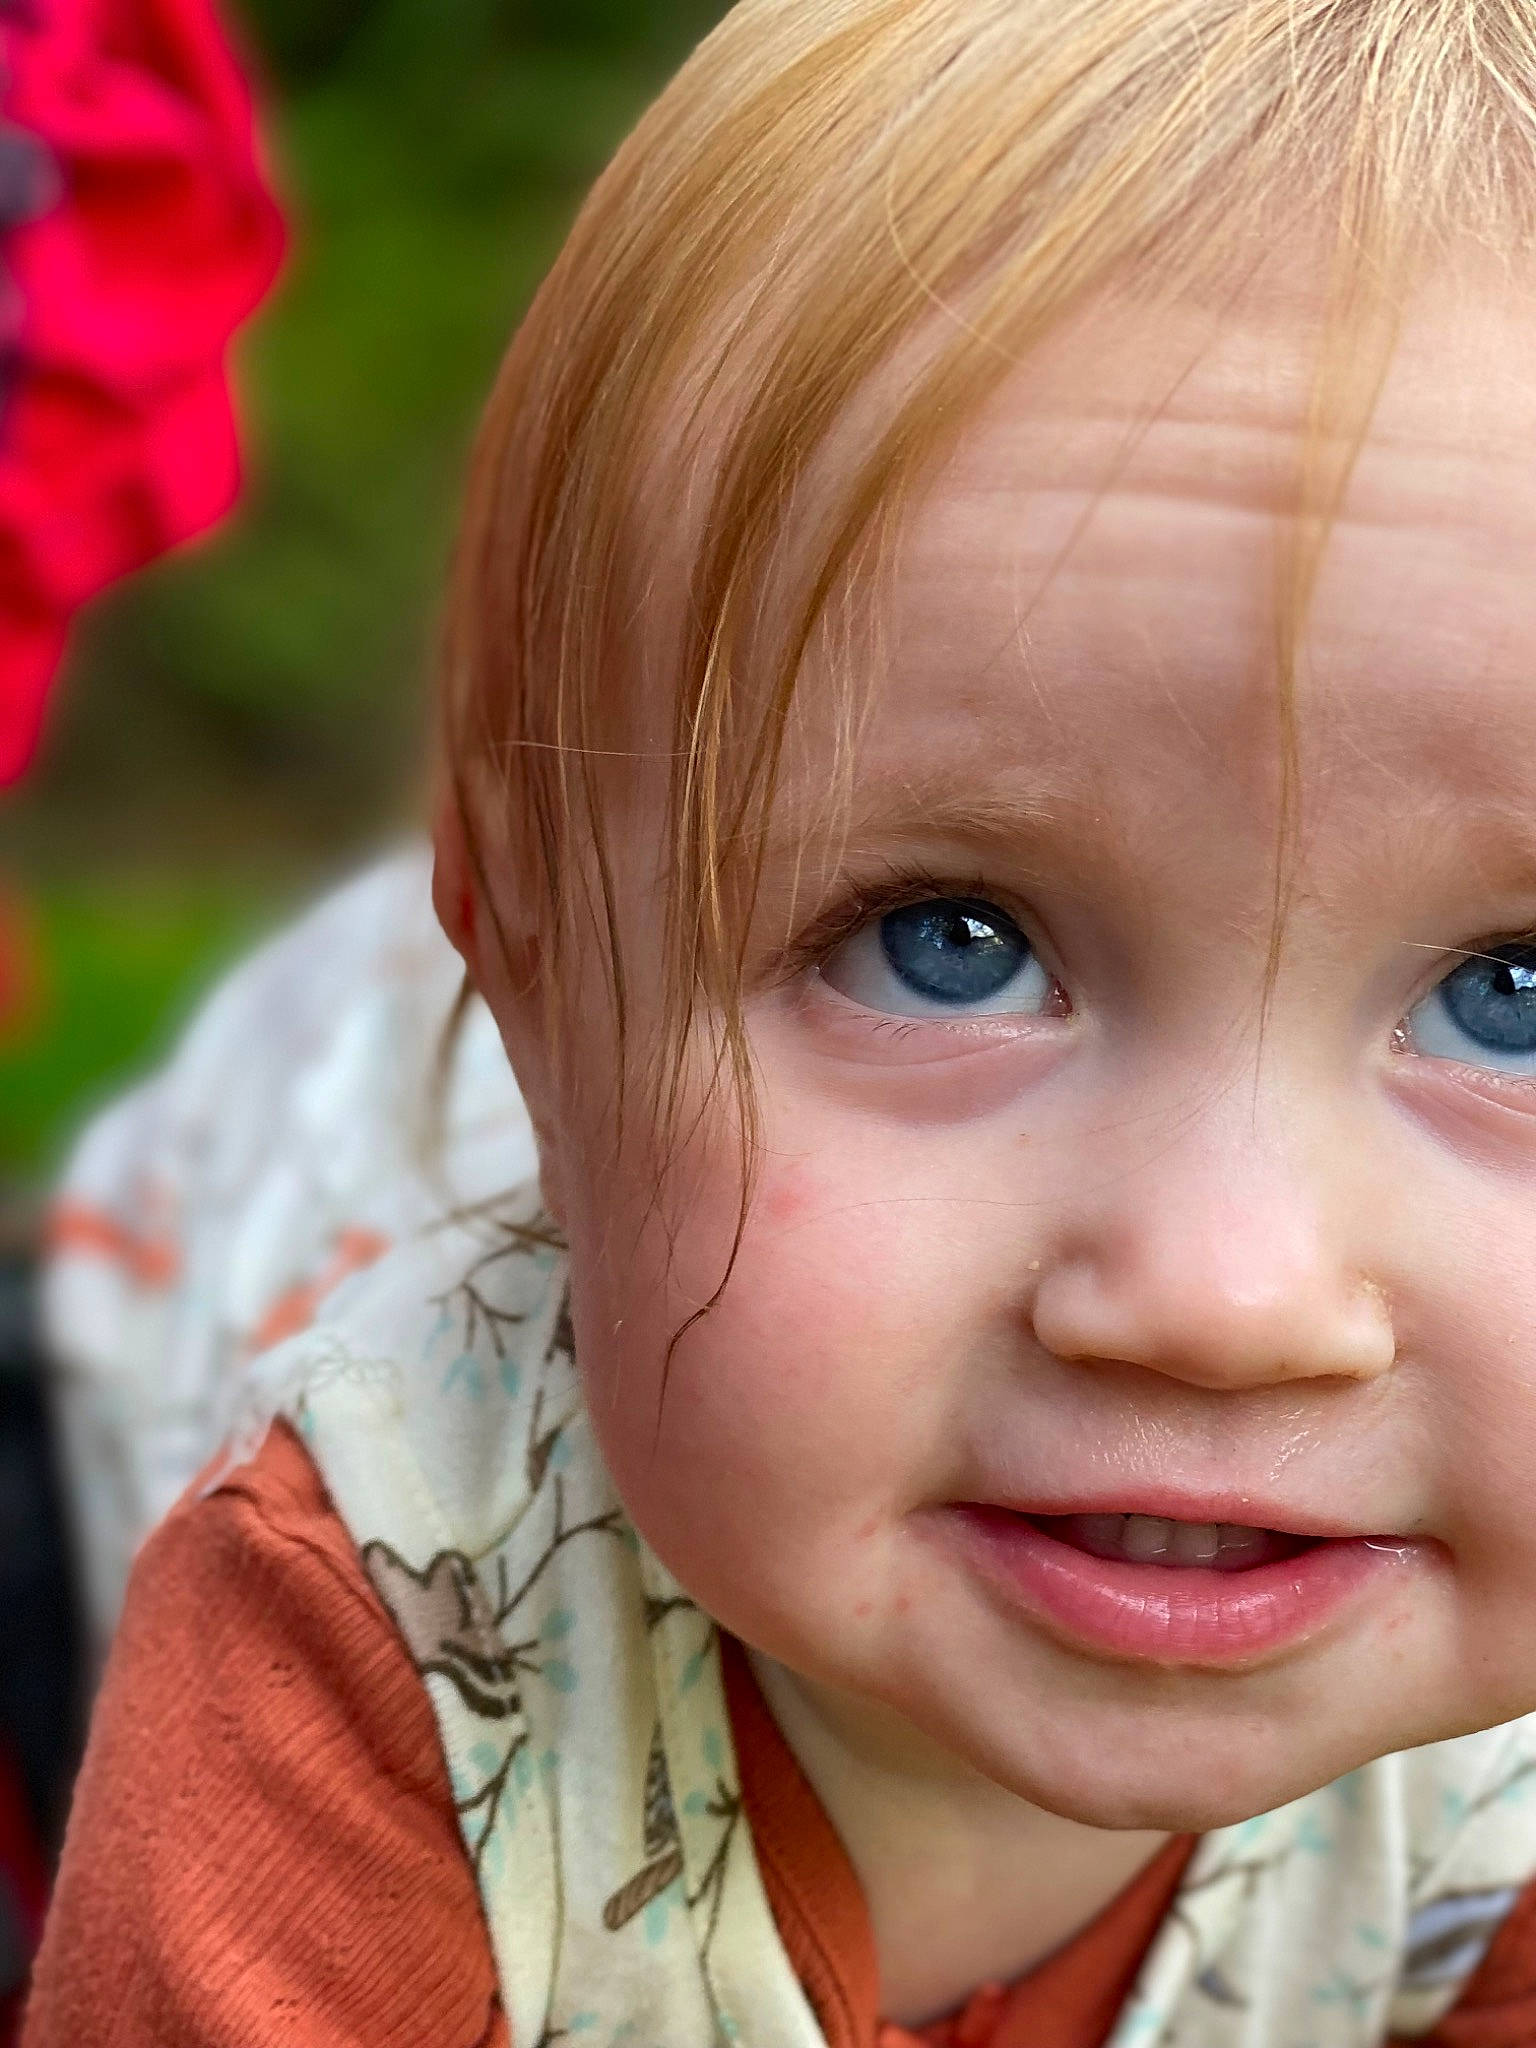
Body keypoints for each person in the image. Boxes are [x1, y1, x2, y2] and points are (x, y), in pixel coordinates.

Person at [25, 0, 1536, 2040]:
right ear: (532, 972)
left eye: (1514, 998)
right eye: (948, 939)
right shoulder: (370, 1632)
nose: (1223, 1293)